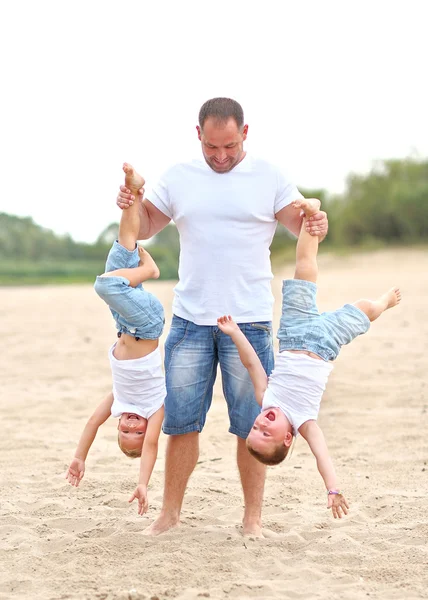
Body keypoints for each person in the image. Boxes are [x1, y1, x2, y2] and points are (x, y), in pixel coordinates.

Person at [116, 97, 328, 536]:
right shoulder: (179, 177)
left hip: (249, 321)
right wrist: (130, 200)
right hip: (191, 319)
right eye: (212, 147)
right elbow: (147, 225)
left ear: (245, 133)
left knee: (251, 425)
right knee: (180, 423)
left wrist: (316, 222)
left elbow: (299, 222)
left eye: (229, 145)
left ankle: (252, 519)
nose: (221, 155)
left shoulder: (269, 175)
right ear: (199, 136)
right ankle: (169, 514)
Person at [217, 198, 401, 519]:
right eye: (265, 434)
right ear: (288, 438)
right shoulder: (304, 420)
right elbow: (322, 454)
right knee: (364, 311)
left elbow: (252, 364)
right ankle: (383, 303)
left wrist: (234, 333)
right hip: (326, 341)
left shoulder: (266, 399)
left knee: (304, 267)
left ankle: (310, 217)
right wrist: (332, 489)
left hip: (293, 332)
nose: (259, 425)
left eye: (254, 430)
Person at [66, 163, 166, 516]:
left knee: (120, 254)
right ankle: (149, 271)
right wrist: (143, 483)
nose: (130, 426)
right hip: (148, 325)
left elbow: (93, 423)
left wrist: (80, 457)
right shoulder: (154, 408)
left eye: (124, 430)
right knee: (106, 283)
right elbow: (152, 447)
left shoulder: (120, 401)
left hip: (123, 325)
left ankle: (134, 193)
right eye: (134, 433)